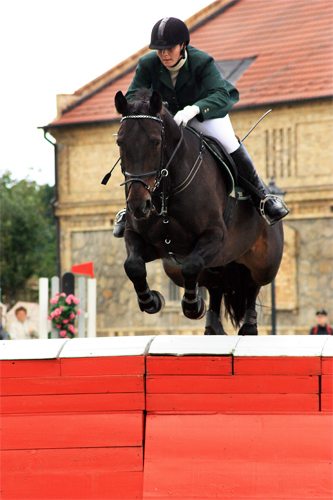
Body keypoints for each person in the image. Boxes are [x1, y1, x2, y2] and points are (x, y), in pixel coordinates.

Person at [113, 17, 289, 237]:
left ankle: (262, 198)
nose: (164, 54)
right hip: (168, 120)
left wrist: (193, 110)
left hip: (205, 114)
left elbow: (221, 95)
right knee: (141, 149)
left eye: (169, 49)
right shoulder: (148, 63)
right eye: (159, 50)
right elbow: (131, 96)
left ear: (183, 45)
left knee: (228, 142)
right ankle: (129, 211)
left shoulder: (202, 61)